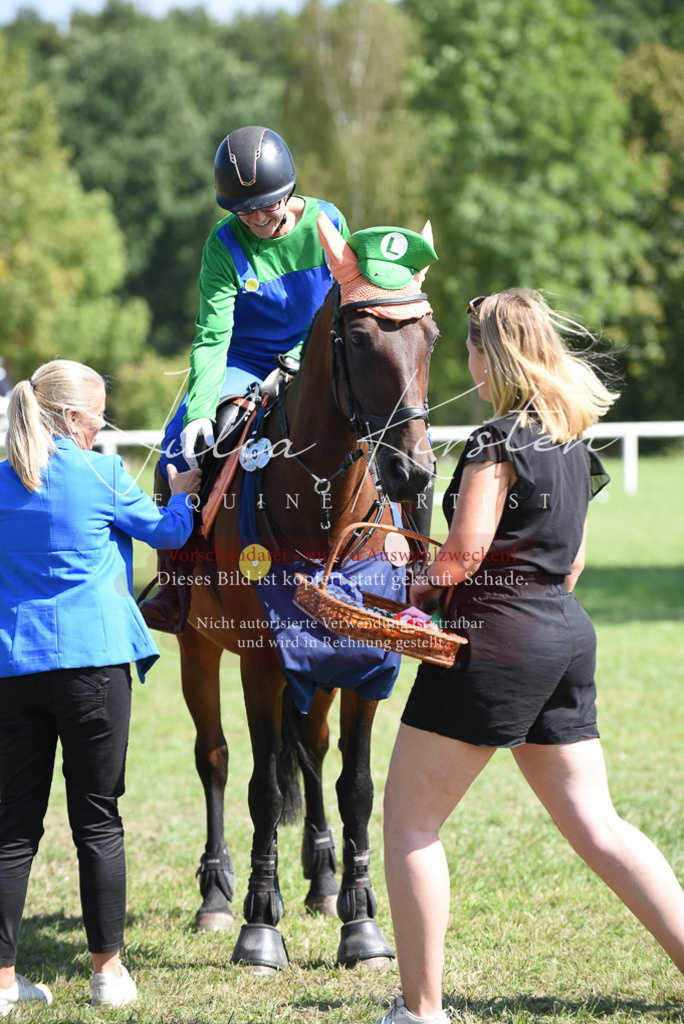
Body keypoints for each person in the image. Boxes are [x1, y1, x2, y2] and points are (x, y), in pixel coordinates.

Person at [375, 290, 684, 1024]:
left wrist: (405, 584)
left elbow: (465, 555)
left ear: (493, 357)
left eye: (473, 351)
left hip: (498, 644)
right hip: (565, 636)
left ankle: (420, 1012)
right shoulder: (572, 440)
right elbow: (572, 565)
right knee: (601, 826)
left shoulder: (493, 442)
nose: (470, 365)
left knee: (410, 825)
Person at [0, 360, 200, 1014]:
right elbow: (170, 532)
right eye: (99, 416)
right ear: (72, 418)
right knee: (99, 820)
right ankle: (108, 974)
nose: (102, 427)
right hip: (94, 668)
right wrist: (185, 490)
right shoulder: (105, 474)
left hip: (13, 668)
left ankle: (1, 985)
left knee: (11, 829)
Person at [140, 124, 350, 632]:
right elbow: (213, 336)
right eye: (243, 210)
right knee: (178, 447)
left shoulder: (328, 221)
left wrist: (298, 363)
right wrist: (196, 414)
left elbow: (337, 303)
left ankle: (410, 564)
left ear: (290, 191)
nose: (256, 217)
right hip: (246, 359)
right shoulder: (223, 244)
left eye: (268, 205)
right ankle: (178, 583)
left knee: (404, 433)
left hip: (317, 351)